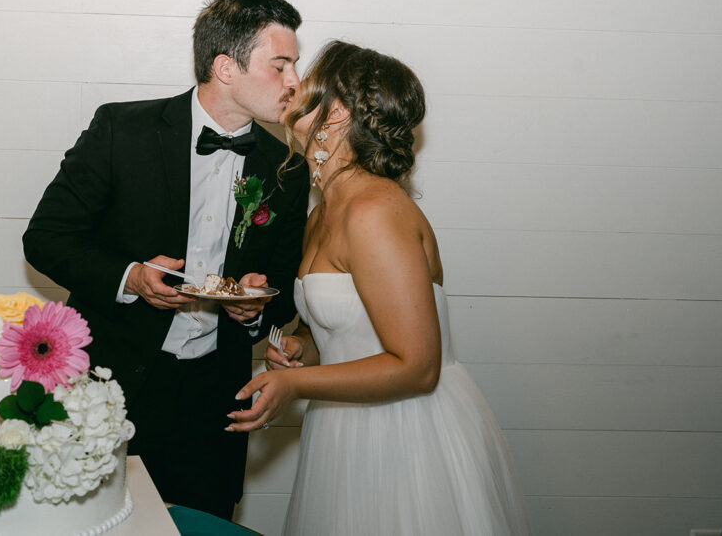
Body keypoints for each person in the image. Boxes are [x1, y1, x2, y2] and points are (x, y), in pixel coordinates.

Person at [22, 0, 311, 520]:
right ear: (226, 67)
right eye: (281, 65)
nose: (296, 81)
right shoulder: (122, 130)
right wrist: (130, 277)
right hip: (107, 388)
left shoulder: (286, 169)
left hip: (215, 403)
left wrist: (255, 311)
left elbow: (286, 292)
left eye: (294, 64)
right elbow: (45, 237)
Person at [227, 40, 531, 534]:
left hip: (406, 435)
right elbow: (351, 334)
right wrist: (303, 350)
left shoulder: (374, 212)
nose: (292, 86)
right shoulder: (324, 210)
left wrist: (295, 383)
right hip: (345, 426)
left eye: (307, 80)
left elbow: (417, 366)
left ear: (339, 111)